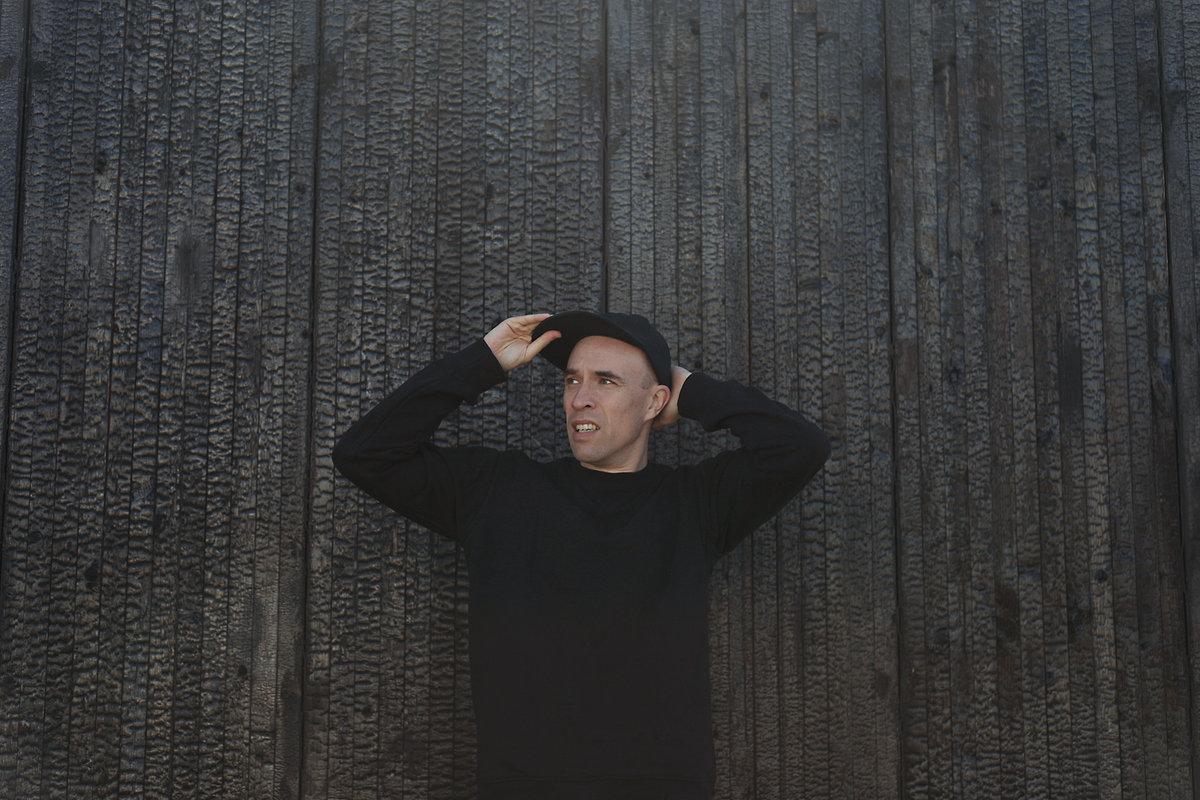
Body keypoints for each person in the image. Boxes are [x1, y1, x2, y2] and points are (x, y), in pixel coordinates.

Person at [332, 310, 830, 800]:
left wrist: (692, 390)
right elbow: (366, 453)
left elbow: (800, 446)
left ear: (655, 402)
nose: (580, 399)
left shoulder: (698, 504)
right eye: (572, 380)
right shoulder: (497, 491)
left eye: (606, 381)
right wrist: (482, 361)